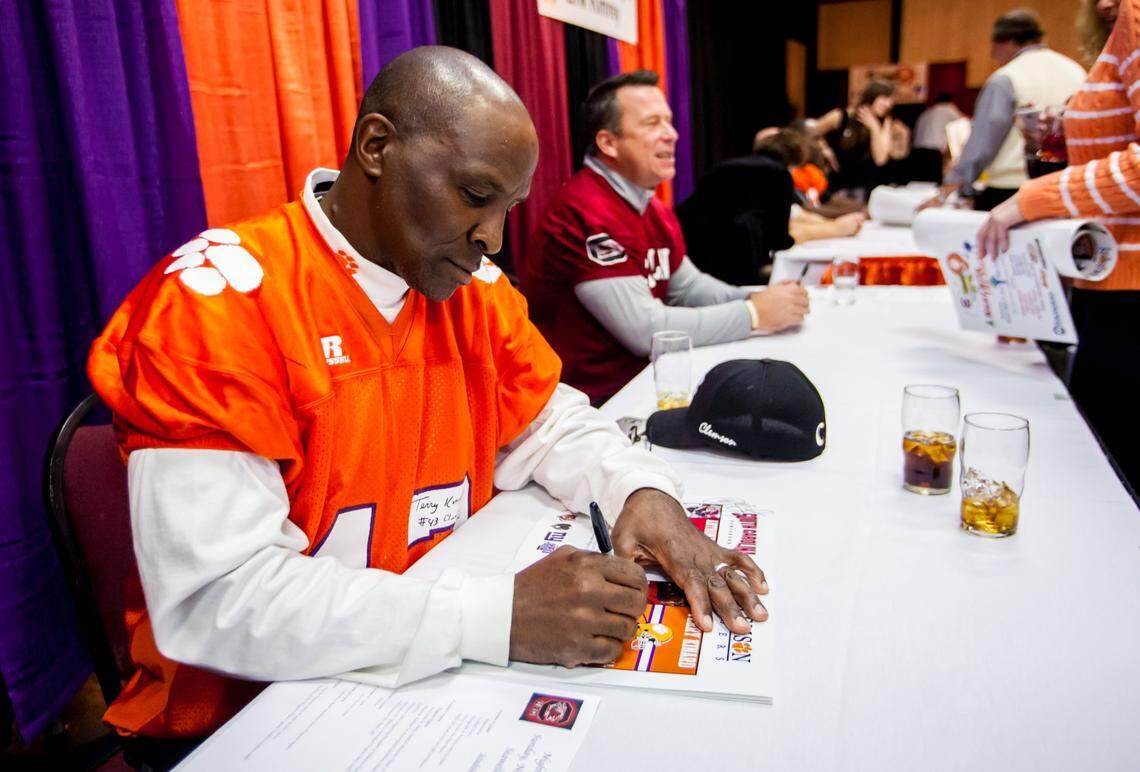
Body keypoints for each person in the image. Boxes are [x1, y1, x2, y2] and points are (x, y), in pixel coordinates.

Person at [87, 48, 770, 754]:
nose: (492, 239)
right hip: (250, 719)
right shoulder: (215, 303)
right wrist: (494, 616)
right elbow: (216, 599)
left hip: (425, 682)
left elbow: (550, 420)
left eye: (508, 209)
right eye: (475, 197)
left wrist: (640, 490)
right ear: (377, 146)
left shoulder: (473, 292)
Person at [522, 71, 809, 405]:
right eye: (652, 123)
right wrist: (754, 314)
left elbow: (690, 288)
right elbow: (645, 330)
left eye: (669, 122)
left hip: (646, 383)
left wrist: (764, 295)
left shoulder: (653, 208)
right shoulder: (583, 211)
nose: (671, 134)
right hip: (594, 404)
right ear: (608, 142)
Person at [976, 0, 1139, 493]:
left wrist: (1031, 198)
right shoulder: (1077, 60)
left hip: (1126, 289)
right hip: (1099, 257)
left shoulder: (1134, 16)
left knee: (1105, 482)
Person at [928, 10, 1086, 211]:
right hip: (1067, 186)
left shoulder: (1006, 78)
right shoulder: (1076, 71)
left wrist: (948, 190)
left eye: (993, 47)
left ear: (1008, 41)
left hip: (1011, 191)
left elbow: (983, 142)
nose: (993, 55)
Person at [816, 79, 910, 199]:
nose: (888, 104)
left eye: (891, 100)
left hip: (865, 188)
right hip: (836, 184)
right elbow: (811, 130)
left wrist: (874, 127)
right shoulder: (842, 116)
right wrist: (824, 148)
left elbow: (880, 159)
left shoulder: (886, 123)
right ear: (872, 96)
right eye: (885, 98)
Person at [911, 93, 964, 182]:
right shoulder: (948, 109)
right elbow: (963, 122)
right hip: (933, 152)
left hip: (916, 152)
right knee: (933, 184)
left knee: (920, 184)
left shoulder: (926, 112)